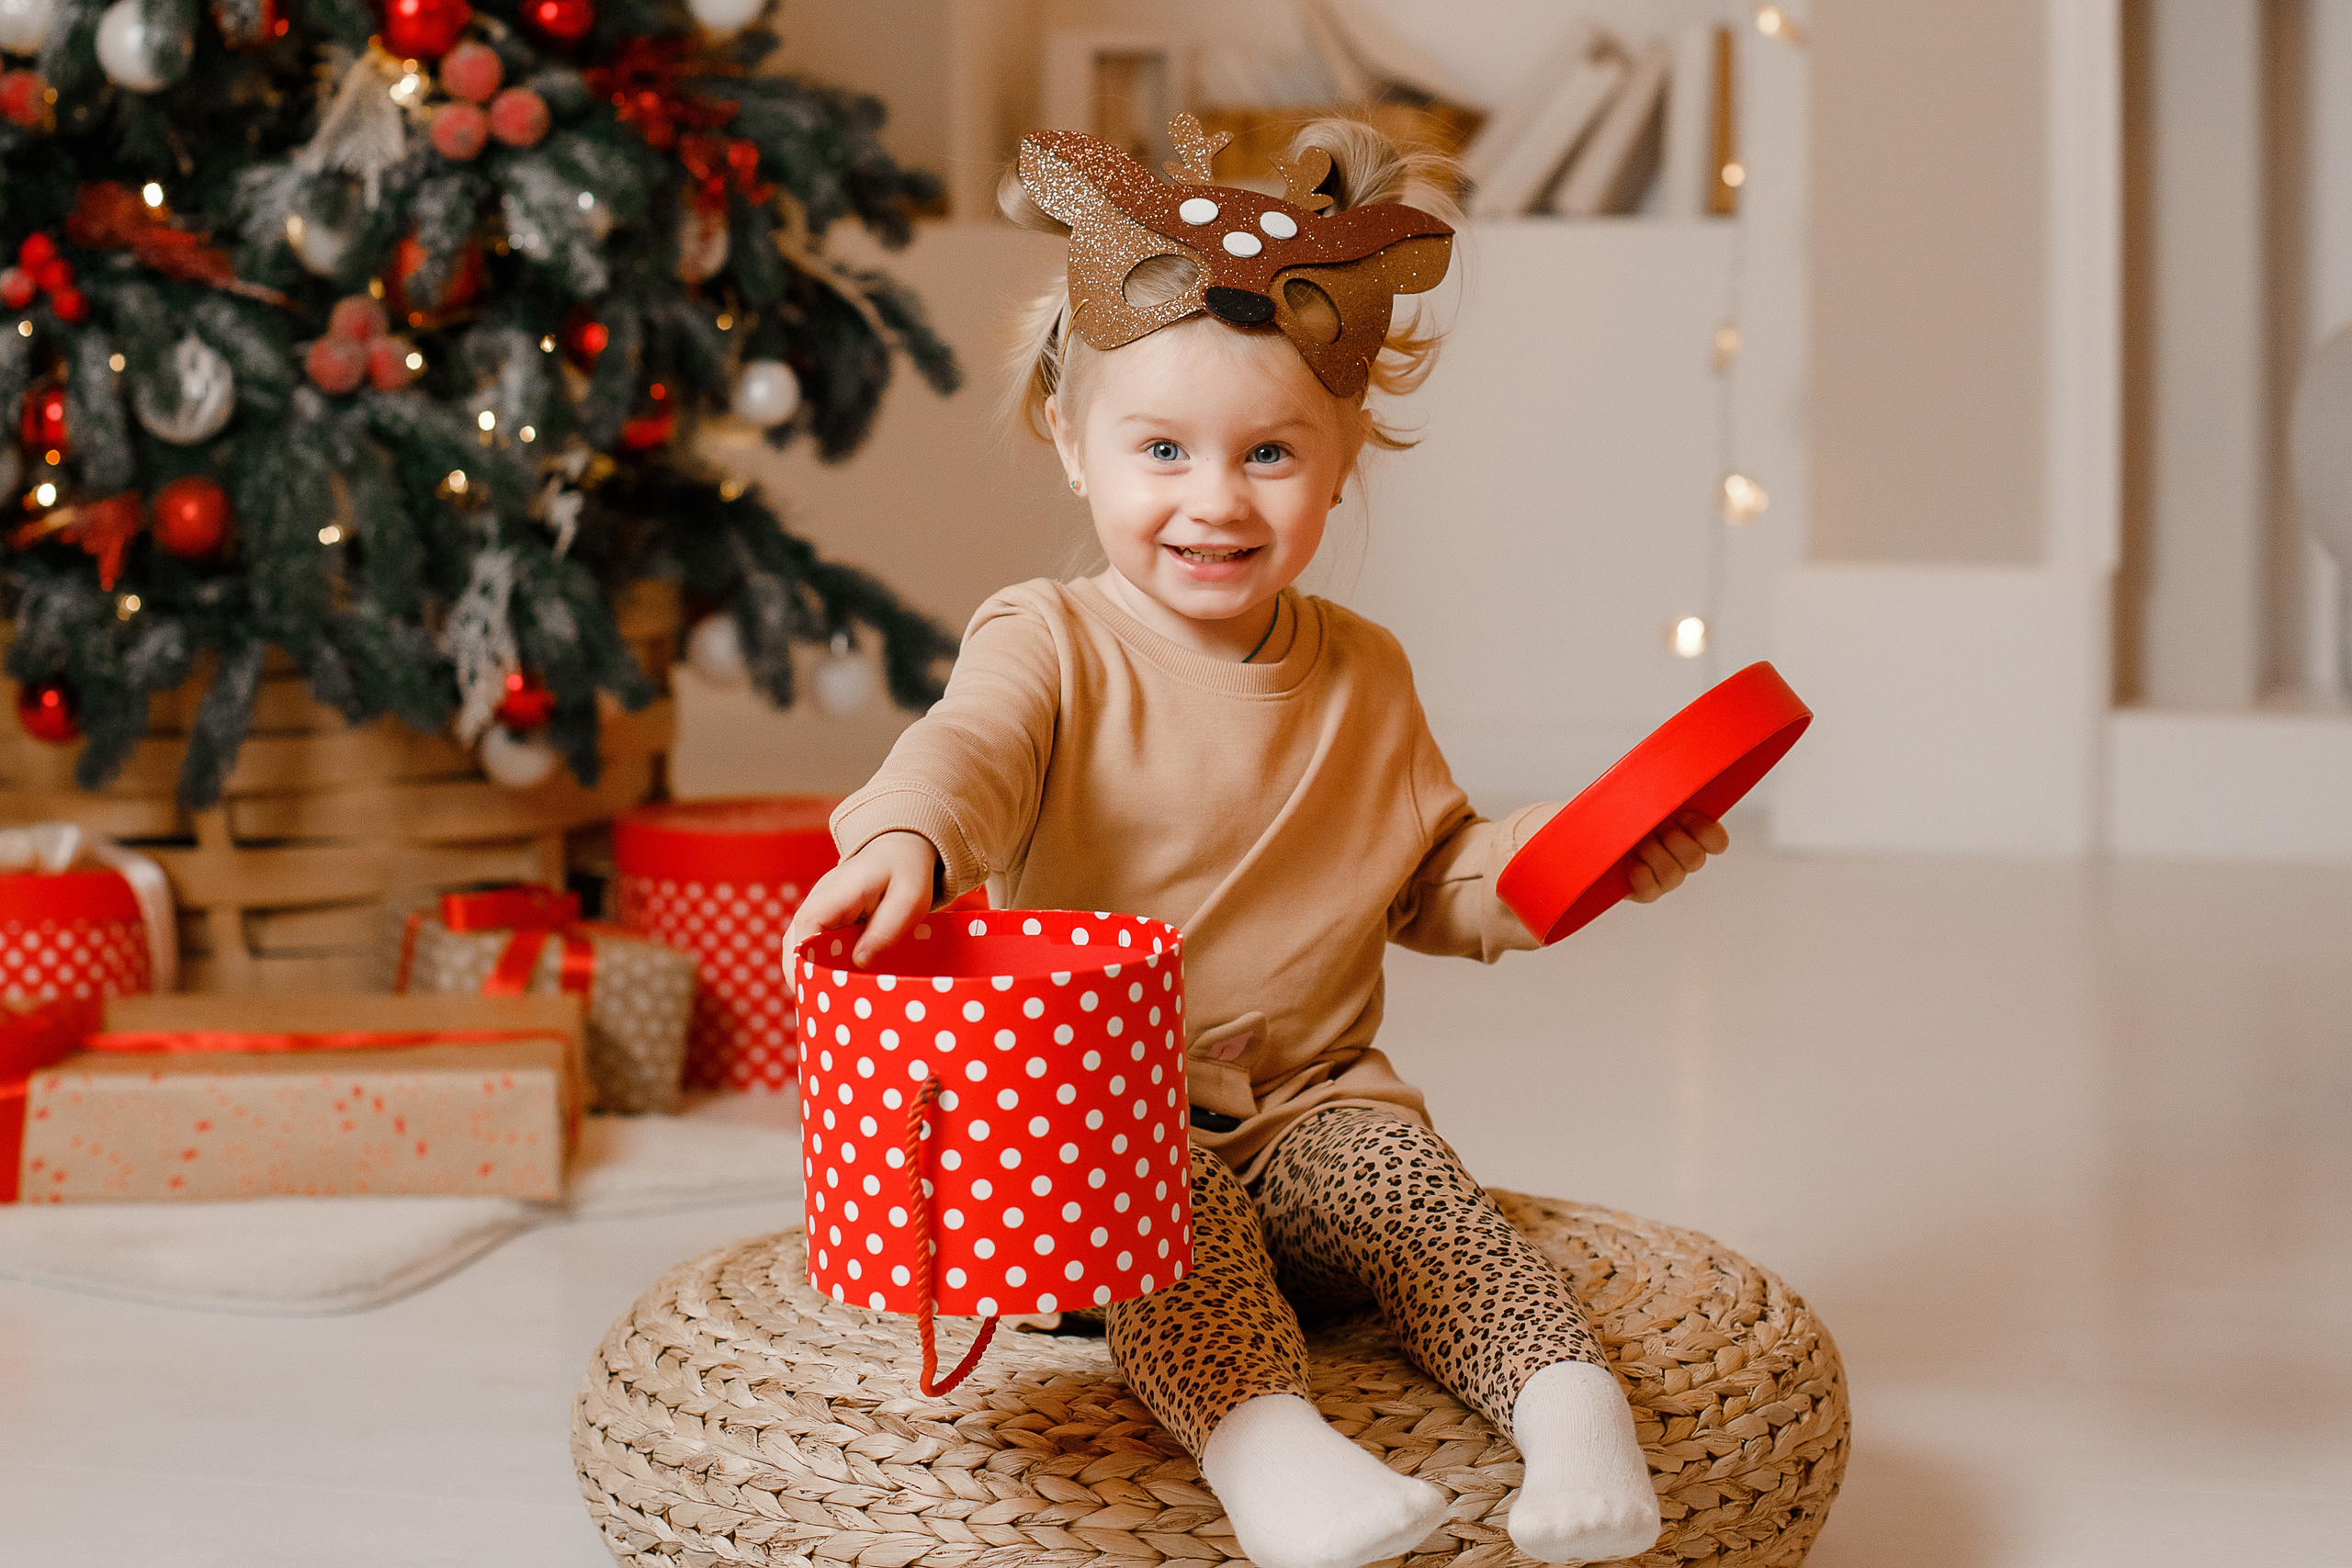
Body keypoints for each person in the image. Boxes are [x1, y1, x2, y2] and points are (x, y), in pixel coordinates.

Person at [782, 115, 1727, 1568]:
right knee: (1172, 1250)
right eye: (1161, 448)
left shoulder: (1365, 672)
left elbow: (1436, 873)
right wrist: (908, 835)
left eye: (1270, 453)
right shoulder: (1052, 640)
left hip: (1314, 1097)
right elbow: (965, 749)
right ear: (1070, 440)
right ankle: (1271, 1453)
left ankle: (1566, 1403)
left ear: (1342, 457)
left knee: (1421, 1205)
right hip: (1113, 1123)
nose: (1215, 499)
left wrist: (1580, 862)